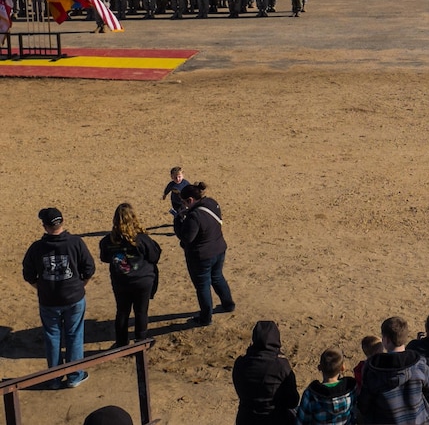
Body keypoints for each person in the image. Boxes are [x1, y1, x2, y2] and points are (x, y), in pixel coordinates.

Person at [22, 207, 96, 388]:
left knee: (52, 337)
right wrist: (80, 285)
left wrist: (41, 288)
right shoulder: (75, 243)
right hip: (73, 297)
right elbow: (89, 269)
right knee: (74, 336)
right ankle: (74, 375)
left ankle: (54, 377)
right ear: (62, 222)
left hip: (50, 300)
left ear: (45, 226)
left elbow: (29, 274)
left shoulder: (37, 247)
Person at [98, 203, 161, 347]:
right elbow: (154, 256)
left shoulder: (108, 240)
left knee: (122, 311)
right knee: (141, 311)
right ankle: (141, 340)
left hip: (121, 280)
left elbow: (105, 257)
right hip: (142, 280)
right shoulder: (142, 239)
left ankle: (121, 342)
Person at [174, 181, 235, 326]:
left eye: (184, 202)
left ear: (190, 200)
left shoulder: (194, 216)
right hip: (219, 249)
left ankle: (205, 318)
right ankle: (228, 304)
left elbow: (187, 237)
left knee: (202, 286)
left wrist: (178, 220)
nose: (184, 205)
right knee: (217, 277)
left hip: (201, 256)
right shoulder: (212, 203)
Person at [357, 316, 429, 425]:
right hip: (417, 420)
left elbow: (364, 404)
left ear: (386, 340)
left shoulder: (373, 369)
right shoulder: (419, 364)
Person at [233, 320, 300, 425]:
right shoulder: (280, 365)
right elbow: (292, 401)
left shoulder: (240, 363)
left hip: (246, 419)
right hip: (274, 419)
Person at [297, 348, 356, 425]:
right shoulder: (350, 390)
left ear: (319, 367)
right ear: (343, 368)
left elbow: (302, 420)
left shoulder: (311, 394)